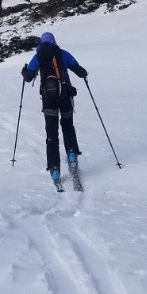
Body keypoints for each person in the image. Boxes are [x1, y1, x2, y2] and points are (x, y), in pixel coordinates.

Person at [21, 32, 90, 186]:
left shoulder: (37, 57)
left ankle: (55, 169)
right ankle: (72, 155)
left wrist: (24, 71)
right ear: (53, 41)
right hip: (65, 96)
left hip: (48, 99)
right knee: (68, 126)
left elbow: (28, 77)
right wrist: (84, 73)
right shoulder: (63, 54)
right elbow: (78, 70)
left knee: (51, 134)